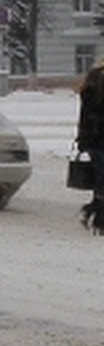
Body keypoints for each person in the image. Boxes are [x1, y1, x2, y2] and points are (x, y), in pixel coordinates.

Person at [76, 63, 104, 232]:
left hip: (94, 139)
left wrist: (82, 138)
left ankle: (94, 212)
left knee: (100, 179)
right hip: (97, 138)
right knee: (101, 179)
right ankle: (98, 216)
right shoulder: (95, 84)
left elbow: (84, 115)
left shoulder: (91, 82)